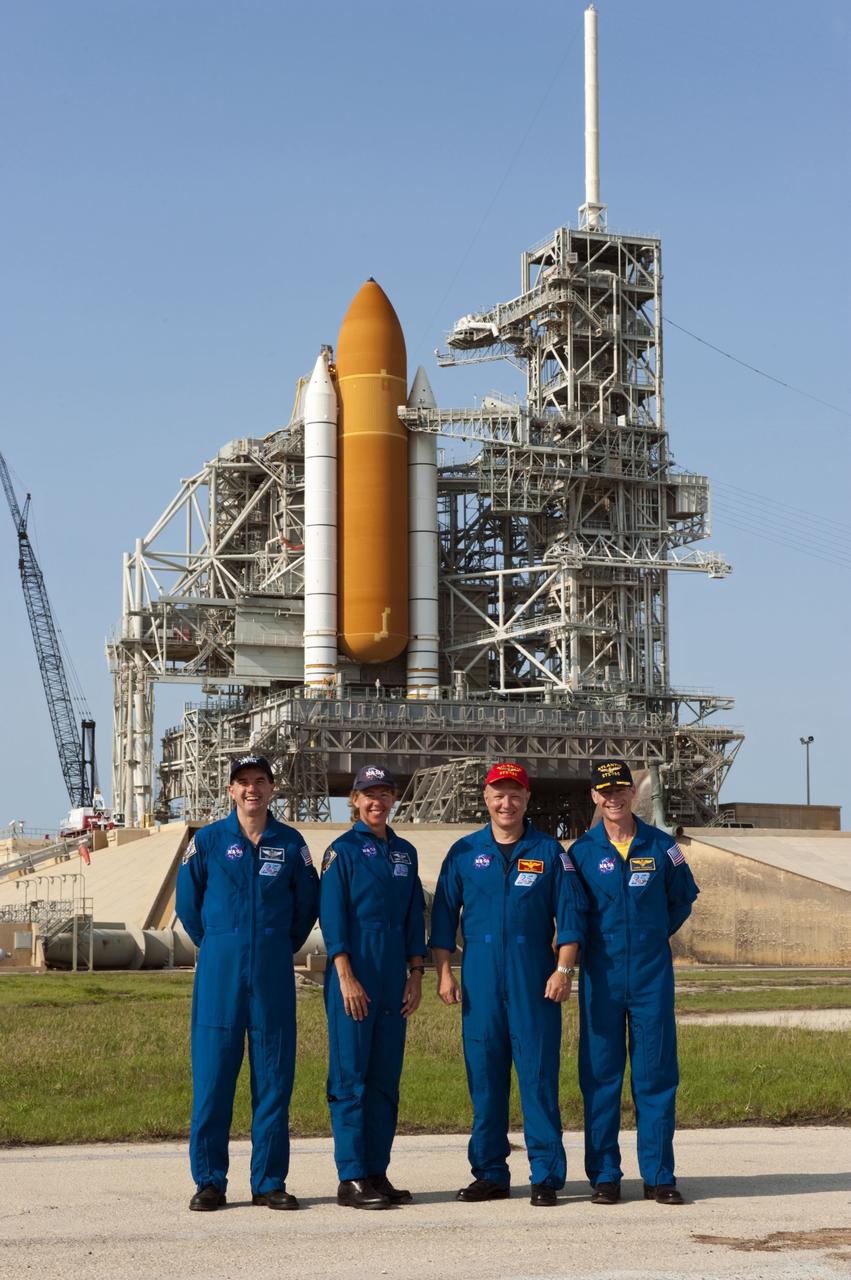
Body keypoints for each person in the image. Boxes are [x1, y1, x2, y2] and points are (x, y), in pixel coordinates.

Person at [429, 762, 587, 1206]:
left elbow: (571, 917)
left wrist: (564, 970)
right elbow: (443, 919)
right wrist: (444, 972)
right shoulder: (463, 853)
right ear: (486, 798)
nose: (507, 802)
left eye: (515, 794)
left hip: (532, 975)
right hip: (479, 975)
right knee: (485, 1078)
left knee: (537, 1077)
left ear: (527, 799)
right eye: (499, 794)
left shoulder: (550, 852)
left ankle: (547, 1175)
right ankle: (491, 1173)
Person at [176, 753, 319, 1212]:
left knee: (274, 1078)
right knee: (214, 1079)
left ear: (272, 788)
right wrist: (219, 942)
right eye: (243, 782)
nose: (252, 789)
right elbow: (187, 902)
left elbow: (306, 905)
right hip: (220, 969)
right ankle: (210, 1182)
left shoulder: (291, 843)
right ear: (231, 790)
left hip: (273, 969)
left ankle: (269, 1181)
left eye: (260, 780)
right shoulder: (210, 840)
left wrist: (276, 943)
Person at [569, 760, 699, 1206]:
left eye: (620, 788)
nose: (613, 797)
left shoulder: (663, 847)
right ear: (594, 797)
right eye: (604, 791)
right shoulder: (580, 853)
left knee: (656, 1074)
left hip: (650, 976)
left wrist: (652, 932)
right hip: (600, 977)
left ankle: (660, 1176)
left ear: (631, 792)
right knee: (601, 1076)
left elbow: (683, 899)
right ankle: (605, 1175)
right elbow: (571, 914)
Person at [319, 764, 426, 1209]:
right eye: (368, 794)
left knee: (384, 1079)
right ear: (355, 802)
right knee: (351, 1077)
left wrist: (416, 974)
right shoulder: (340, 852)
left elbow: (412, 916)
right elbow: (332, 915)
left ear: (393, 799)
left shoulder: (405, 853)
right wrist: (345, 974)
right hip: (355, 974)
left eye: (384, 794)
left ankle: (377, 1171)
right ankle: (351, 1177)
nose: (376, 802)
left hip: (392, 978)